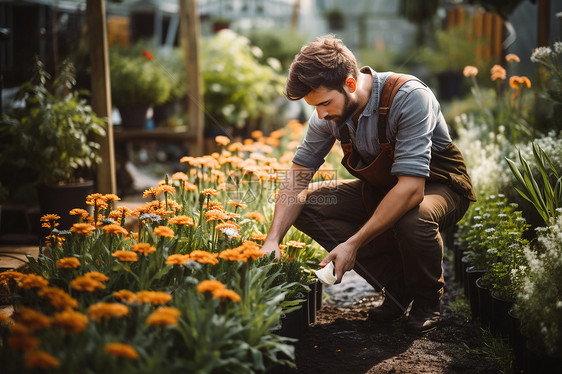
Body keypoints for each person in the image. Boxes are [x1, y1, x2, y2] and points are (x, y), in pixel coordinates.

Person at [262, 35, 476, 333]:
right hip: (386, 189)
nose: (321, 114)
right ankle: (398, 287)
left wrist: (352, 244)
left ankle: (428, 301)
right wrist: (273, 240)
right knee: (308, 204)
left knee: (413, 219)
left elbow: (412, 189)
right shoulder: (328, 113)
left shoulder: (409, 97)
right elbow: (298, 175)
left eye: (324, 103)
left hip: (439, 185)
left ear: (350, 84)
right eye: (315, 106)